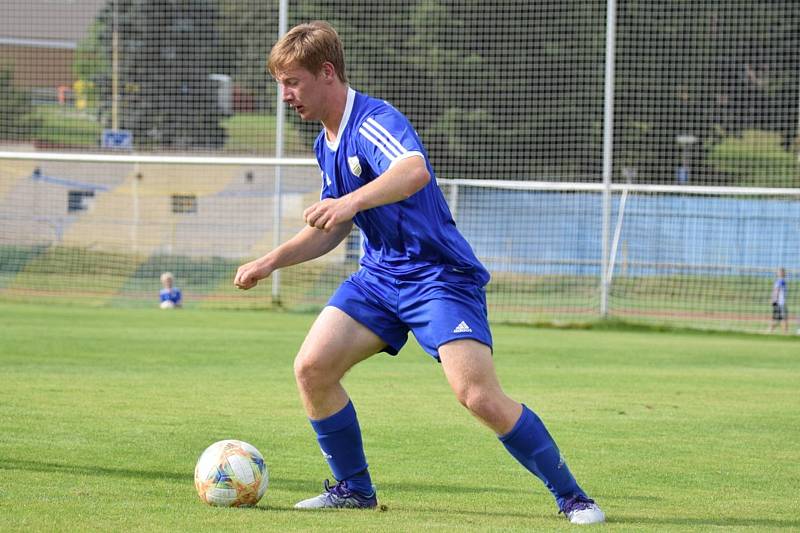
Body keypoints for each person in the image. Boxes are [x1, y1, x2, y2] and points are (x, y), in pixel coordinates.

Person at [234, 21, 604, 525]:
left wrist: (348, 203)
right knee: (312, 369)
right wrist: (269, 261)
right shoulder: (327, 143)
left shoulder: (373, 120)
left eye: (292, 82)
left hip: (437, 277)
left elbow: (413, 171)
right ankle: (353, 490)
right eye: (280, 84)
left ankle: (574, 498)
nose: (285, 96)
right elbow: (332, 226)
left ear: (326, 73)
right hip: (380, 277)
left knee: (476, 396)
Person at [769, 268, 788, 334]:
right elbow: (776, 291)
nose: (778, 273)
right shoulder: (781, 281)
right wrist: (774, 299)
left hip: (780, 303)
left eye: (780, 272)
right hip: (779, 303)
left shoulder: (780, 281)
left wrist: (773, 299)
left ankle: (771, 331)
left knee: (780, 318)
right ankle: (784, 332)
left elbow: (776, 290)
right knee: (780, 318)